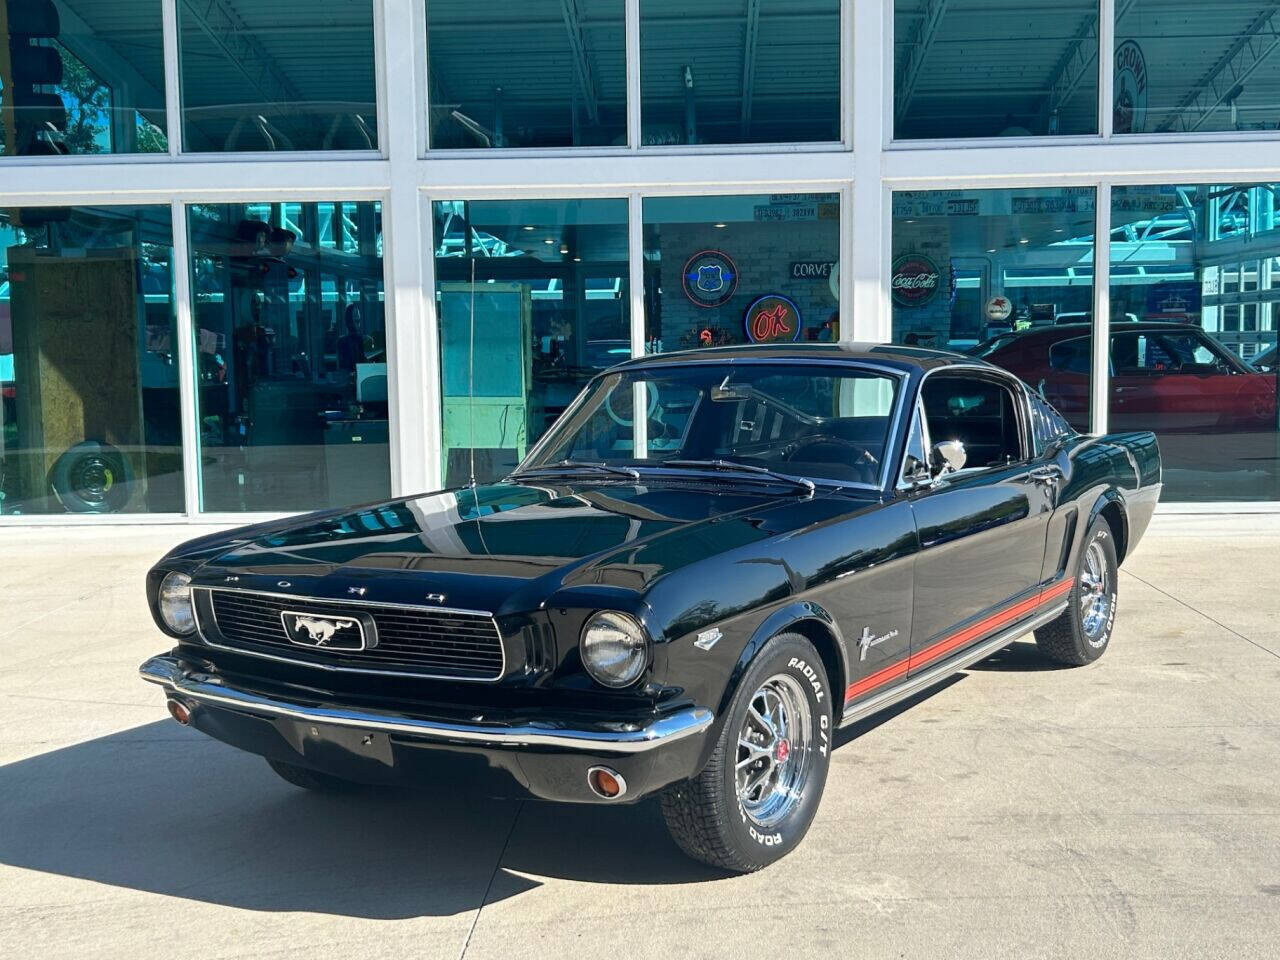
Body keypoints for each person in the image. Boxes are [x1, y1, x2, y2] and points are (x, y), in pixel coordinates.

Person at [337, 304, 367, 372]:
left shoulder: (363, 339)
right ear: (349, 321)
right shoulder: (342, 341)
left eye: (358, 320)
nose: (358, 323)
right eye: (356, 320)